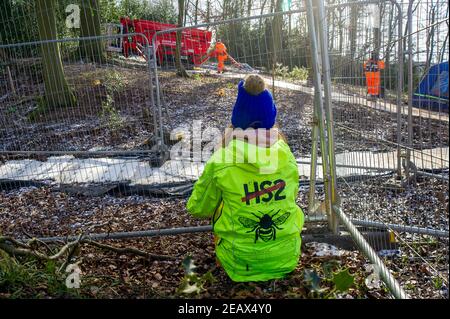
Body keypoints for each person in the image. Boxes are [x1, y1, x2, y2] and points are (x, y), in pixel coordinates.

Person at [186, 74, 304, 282]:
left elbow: (198, 208)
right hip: (287, 259)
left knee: (221, 202)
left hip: (238, 264)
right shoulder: (287, 156)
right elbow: (291, 197)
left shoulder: (222, 160)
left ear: (236, 121)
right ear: (271, 122)